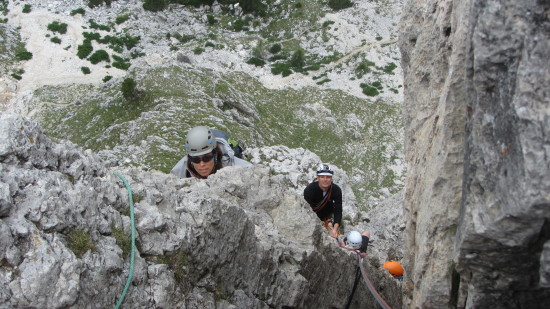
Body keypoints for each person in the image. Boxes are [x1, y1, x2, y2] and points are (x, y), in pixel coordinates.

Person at [171, 126, 251, 179]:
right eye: (196, 160)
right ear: (190, 159)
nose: (202, 164)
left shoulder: (234, 165)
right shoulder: (181, 170)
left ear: (215, 154)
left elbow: (253, 171)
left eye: (207, 158)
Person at [303, 163, 343, 238]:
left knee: (335, 235)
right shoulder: (309, 190)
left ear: (331, 178)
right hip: (312, 218)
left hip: (328, 217)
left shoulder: (336, 190)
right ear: (318, 178)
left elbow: (338, 210)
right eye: (322, 177)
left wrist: (335, 228)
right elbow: (307, 210)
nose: (325, 180)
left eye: (328, 177)